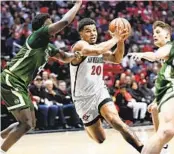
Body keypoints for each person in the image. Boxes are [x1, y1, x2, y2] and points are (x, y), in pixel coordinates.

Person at [0, 1, 82, 153]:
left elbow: (64, 57)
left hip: (20, 84)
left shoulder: (49, 47)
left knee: (29, 123)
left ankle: (1, 136)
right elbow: (64, 22)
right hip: (11, 79)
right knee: (25, 124)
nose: (53, 25)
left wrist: (80, 54)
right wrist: (77, 5)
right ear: (42, 26)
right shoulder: (37, 36)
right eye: (49, 23)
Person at [70, 18, 143, 153]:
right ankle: (88, 124)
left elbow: (117, 59)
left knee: (116, 121)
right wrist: (115, 38)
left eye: (94, 30)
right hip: (82, 99)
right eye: (88, 31)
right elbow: (97, 51)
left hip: (99, 92)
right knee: (100, 139)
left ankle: (144, 149)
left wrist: (121, 41)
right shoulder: (79, 46)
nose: (92, 34)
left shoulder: (100, 48)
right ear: (81, 34)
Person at [128, 20, 173, 154]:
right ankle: (162, 144)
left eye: (158, 32)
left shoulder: (170, 46)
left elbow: (155, 55)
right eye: (153, 33)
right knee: (164, 126)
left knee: (165, 128)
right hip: (169, 91)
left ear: (167, 35)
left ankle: (161, 143)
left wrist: (142, 54)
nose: (154, 35)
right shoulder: (165, 60)